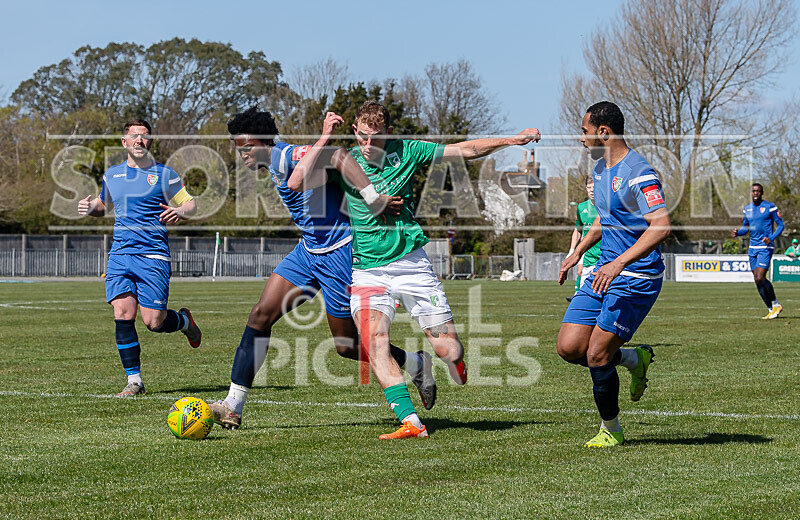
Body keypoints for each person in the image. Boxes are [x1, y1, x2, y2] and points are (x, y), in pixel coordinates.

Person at [300, 100, 539, 439]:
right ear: (355, 132)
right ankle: (411, 422)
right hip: (366, 269)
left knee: (448, 349)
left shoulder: (408, 150)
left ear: (390, 133)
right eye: (363, 137)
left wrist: (511, 140)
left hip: (411, 264)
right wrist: (324, 137)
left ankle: (444, 360)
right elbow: (299, 179)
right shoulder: (343, 159)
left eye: (377, 137)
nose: (369, 145)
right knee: (374, 338)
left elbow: (464, 150)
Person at [208, 108, 436, 430]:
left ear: (262, 143)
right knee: (260, 315)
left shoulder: (282, 155)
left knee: (346, 346)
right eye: (238, 149)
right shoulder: (275, 160)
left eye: (246, 148)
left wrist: (372, 198)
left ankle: (416, 364)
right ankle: (233, 405)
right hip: (308, 251)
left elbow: (338, 154)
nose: (242, 155)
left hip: (340, 252)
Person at [557, 101, 671, 448]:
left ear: (603, 132)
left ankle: (612, 430)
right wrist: (577, 251)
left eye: (584, 131)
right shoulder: (599, 170)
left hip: (636, 275)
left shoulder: (640, 172)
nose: (581, 138)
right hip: (603, 271)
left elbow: (661, 226)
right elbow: (603, 219)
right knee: (569, 347)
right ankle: (635, 358)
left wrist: (619, 262)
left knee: (596, 355)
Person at [77, 119, 201, 397]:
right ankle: (134, 382)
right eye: (134, 136)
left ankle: (184, 322)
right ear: (124, 142)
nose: (140, 141)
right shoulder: (112, 175)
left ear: (151, 142)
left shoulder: (164, 174)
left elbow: (190, 203)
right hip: (120, 254)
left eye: (145, 137)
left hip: (153, 256)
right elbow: (102, 205)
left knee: (153, 322)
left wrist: (180, 212)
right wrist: (89, 207)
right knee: (122, 314)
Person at [730, 183, 784, 319]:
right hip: (752, 248)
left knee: (760, 277)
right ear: (751, 192)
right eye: (753, 191)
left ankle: (776, 304)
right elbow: (745, 228)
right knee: (757, 280)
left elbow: (781, 225)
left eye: (758, 191)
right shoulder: (747, 209)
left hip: (765, 247)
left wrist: (771, 238)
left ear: (762, 192)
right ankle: (771, 308)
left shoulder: (770, 207)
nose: (755, 193)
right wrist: (738, 233)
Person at [566, 175, 601, 302]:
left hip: (606, 256)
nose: (591, 190)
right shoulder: (581, 207)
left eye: (594, 187)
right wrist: (572, 251)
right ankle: (577, 296)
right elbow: (578, 230)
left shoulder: (607, 207)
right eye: (589, 187)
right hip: (588, 255)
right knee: (583, 296)